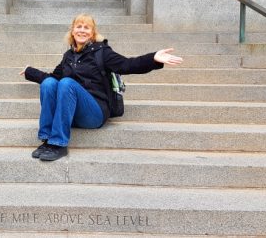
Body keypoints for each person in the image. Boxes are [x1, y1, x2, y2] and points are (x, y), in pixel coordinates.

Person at [19, 13, 183, 161]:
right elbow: (53, 79)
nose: (82, 30)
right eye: (79, 26)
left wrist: (153, 58)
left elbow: (127, 65)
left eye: (86, 27)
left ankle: (59, 144)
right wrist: (30, 72)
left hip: (94, 112)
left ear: (92, 33)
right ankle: (47, 139)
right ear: (72, 31)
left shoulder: (101, 52)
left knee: (67, 83)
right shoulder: (68, 56)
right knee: (49, 84)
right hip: (73, 112)